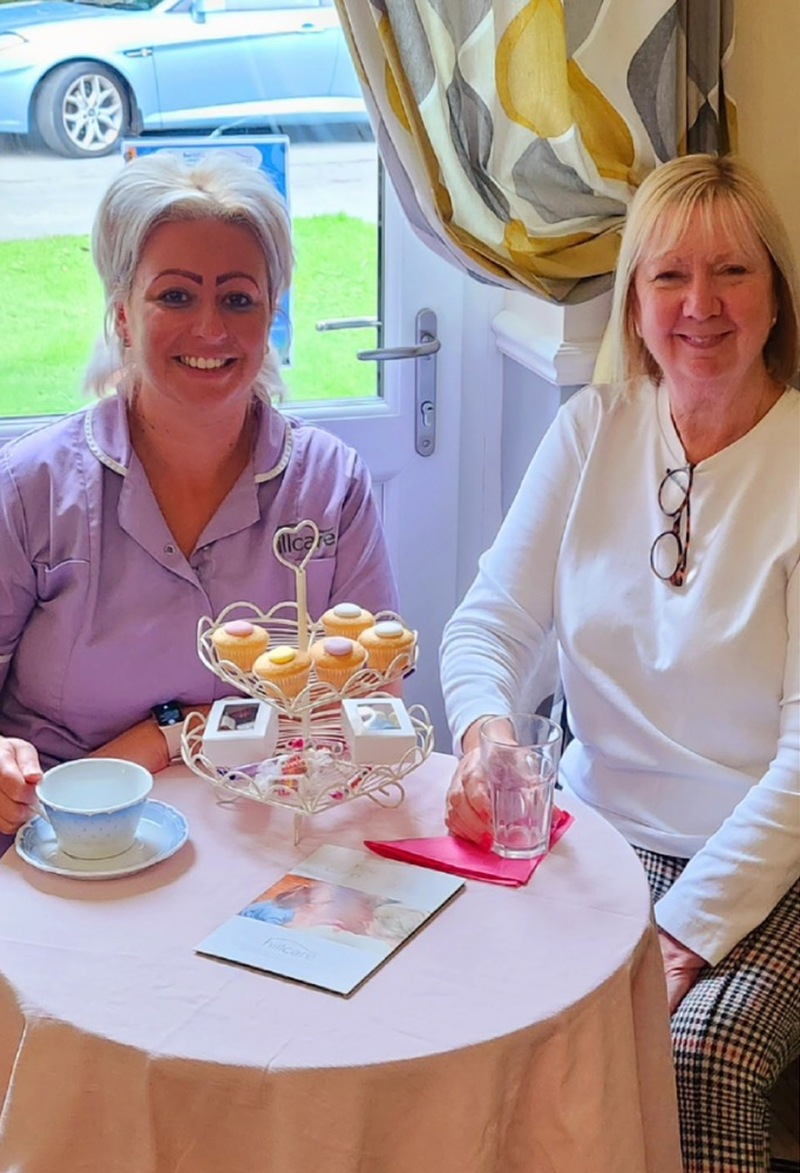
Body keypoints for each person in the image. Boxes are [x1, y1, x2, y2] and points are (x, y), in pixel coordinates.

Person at [440, 154, 799, 1173]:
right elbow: (485, 625)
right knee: (470, 998)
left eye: (730, 273)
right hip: (597, 832)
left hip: (769, 857)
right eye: (666, 276)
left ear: (773, 296)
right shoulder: (589, 430)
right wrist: (486, 736)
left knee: (688, 1055)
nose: (699, 306)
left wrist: (684, 933)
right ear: (633, 304)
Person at [0, 151, 398, 835]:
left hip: (269, 840)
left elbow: (371, 698)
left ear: (272, 312)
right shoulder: (32, 487)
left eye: (238, 298)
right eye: (176, 296)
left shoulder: (332, 485)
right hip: (65, 844)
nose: (211, 329)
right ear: (123, 313)